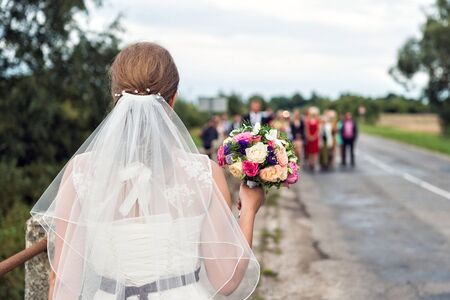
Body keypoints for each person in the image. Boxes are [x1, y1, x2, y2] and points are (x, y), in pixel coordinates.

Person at [31, 42, 263, 300]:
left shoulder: (80, 172)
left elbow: (63, 281)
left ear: (115, 98)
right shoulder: (203, 173)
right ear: (172, 100)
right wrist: (249, 210)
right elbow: (226, 280)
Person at [305, 106, 320, 171]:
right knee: (310, 151)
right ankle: (310, 163)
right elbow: (307, 129)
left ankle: (314, 163)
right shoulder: (308, 121)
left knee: (315, 152)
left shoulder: (317, 121)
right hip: (309, 138)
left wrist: (314, 136)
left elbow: (318, 130)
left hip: (315, 138)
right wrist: (309, 136)